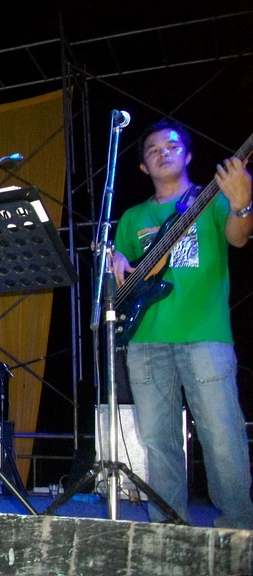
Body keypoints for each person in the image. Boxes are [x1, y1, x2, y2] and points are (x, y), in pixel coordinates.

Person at [112, 120, 253, 529]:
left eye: (172, 146)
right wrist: (115, 261)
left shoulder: (211, 200)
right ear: (143, 166)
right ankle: (168, 525)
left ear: (188, 155)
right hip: (145, 340)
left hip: (205, 335)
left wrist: (242, 205)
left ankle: (239, 525)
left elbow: (238, 237)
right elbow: (122, 272)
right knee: (159, 442)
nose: (163, 152)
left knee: (222, 437)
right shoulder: (133, 216)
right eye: (153, 149)